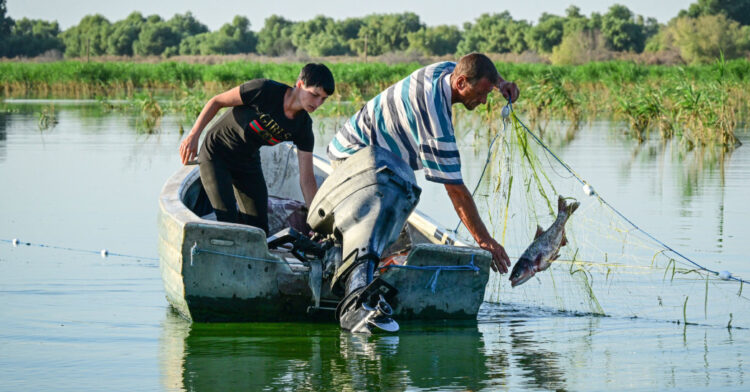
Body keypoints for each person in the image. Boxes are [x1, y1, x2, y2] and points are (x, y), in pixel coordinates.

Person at [327, 53, 518, 274]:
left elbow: (477, 66)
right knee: (383, 236)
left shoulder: (446, 70)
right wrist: (485, 241)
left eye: (487, 92)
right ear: (461, 82)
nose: (484, 100)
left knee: (399, 213)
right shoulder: (434, 116)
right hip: (353, 158)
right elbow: (456, 191)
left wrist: (501, 83)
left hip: (379, 158)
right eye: (481, 93)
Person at [179, 63, 334, 235]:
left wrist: (315, 222)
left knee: (260, 229)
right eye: (314, 95)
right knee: (227, 221)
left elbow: (307, 179)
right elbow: (216, 101)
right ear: (299, 84)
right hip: (217, 154)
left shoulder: (303, 127)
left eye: (323, 99)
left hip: (247, 162)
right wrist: (193, 136)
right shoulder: (264, 90)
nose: (318, 103)